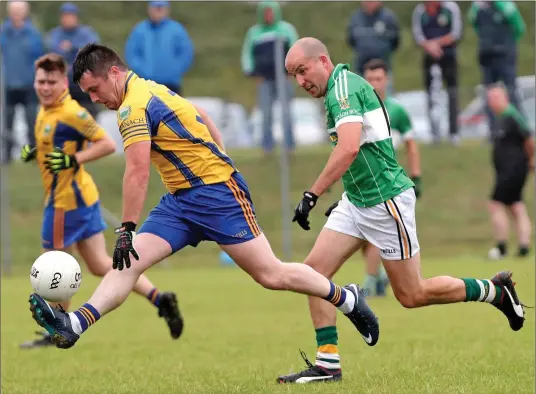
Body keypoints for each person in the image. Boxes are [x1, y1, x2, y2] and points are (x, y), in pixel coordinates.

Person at [26, 43, 379, 351]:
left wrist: (126, 229)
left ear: (114, 73)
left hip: (217, 198)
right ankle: (74, 325)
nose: (94, 99)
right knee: (128, 265)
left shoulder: (131, 108)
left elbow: (137, 171)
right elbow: (203, 115)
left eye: (95, 89)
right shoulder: (150, 88)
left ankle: (347, 298)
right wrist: (218, 155)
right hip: (180, 202)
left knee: (272, 275)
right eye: (87, 93)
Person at [277, 37, 526, 384]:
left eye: (302, 71)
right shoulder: (338, 89)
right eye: (294, 76)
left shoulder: (344, 88)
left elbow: (348, 148)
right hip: (358, 200)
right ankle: (327, 364)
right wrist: (347, 192)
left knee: (412, 294)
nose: (301, 81)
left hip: (385, 203)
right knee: (313, 274)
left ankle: (495, 291)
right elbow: (360, 151)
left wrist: (312, 194)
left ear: (322, 60)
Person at [20, 53, 183, 349]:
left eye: (51, 82)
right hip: (79, 198)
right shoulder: (47, 111)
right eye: (40, 81)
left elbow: (107, 144)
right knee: (99, 264)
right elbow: (55, 145)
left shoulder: (70, 112)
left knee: (56, 264)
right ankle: (160, 299)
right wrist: (37, 152)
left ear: (63, 83)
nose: (44, 87)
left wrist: (73, 159)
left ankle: (57, 326)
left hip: (67, 203)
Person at [325, 58, 422, 298]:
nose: (375, 83)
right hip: (360, 181)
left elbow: (411, 145)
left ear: (387, 80)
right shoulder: (354, 104)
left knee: (411, 289)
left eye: (379, 79)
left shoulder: (396, 110)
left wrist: (416, 175)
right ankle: (376, 276)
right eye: (370, 79)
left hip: (386, 183)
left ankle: (370, 280)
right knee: (363, 238)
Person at [241, 1, 298, 155]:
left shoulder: (286, 30)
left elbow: (295, 49)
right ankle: (267, 146)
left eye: (271, 12)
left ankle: (289, 145)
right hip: (264, 79)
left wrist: (292, 71)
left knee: (286, 112)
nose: (269, 16)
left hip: (283, 78)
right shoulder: (254, 32)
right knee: (266, 114)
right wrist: (251, 72)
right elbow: (247, 54)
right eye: (265, 12)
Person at [486, 85, 533, 260]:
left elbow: (529, 138)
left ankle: (501, 247)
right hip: (505, 170)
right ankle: (524, 247)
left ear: (504, 98)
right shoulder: (499, 118)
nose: (491, 101)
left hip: (513, 169)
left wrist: (532, 160)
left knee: (496, 204)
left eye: (494, 97)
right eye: (489, 98)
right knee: (516, 206)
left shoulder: (512, 115)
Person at [468, 1, 526, 140]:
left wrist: (508, 45)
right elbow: (475, 24)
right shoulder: (477, 7)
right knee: (490, 94)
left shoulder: (506, 5)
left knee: (511, 91)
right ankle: (494, 131)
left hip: (505, 55)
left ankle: (519, 128)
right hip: (487, 56)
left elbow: (520, 28)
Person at [411, 1, 462, 144]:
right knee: (430, 94)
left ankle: (454, 133)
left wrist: (437, 43)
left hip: (448, 55)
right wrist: (429, 46)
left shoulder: (450, 8)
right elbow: (417, 34)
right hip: (429, 56)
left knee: (452, 93)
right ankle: (434, 133)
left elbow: (456, 33)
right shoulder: (420, 11)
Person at [0, 1, 44, 163]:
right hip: (7, 85)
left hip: (28, 84)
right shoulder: (3, 32)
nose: (16, 14)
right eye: (14, 11)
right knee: (7, 123)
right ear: (9, 12)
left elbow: (40, 58)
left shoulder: (33, 34)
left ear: (25, 12)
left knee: (31, 121)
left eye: (20, 11)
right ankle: (7, 156)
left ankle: (33, 154)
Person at [125, 0, 194, 95]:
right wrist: (143, 72)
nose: (158, 11)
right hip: (146, 84)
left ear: (167, 10)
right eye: (155, 8)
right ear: (149, 9)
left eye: (161, 8)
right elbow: (132, 54)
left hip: (171, 85)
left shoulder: (177, 29)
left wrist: (173, 70)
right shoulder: (140, 30)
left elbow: (186, 53)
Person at [47, 2, 100, 117]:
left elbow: (92, 49)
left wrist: (72, 47)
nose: (68, 19)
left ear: (77, 17)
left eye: (71, 16)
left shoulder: (86, 33)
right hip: (63, 86)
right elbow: (52, 52)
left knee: (88, 117)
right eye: (65, 16)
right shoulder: (55, 34)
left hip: (84, 84)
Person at [346, 1, 400, 94]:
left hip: (383, 68)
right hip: (361, 68)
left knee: (385, 100)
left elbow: (395, 41)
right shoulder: (355, 18)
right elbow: (351, 40)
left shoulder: (388, 18)